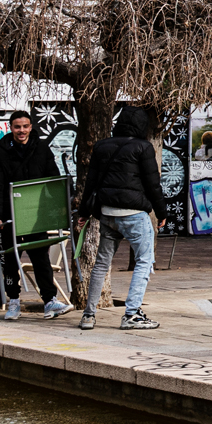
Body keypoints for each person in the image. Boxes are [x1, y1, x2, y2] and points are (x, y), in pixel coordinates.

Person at [77, 105, 164, 332]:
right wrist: (161, 213)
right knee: (144, 260)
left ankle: (88, 315)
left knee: (101, 263)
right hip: (134, 214)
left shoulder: (101, 146)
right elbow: (153, 184)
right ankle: (132, 314)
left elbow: (91, 182)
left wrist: (84, 212)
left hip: (107, 214)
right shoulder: (143, 147)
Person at [0, 109, 70, 319]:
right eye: (17, 127)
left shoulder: (42, 149)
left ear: (31, 127)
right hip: (8, 215)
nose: (21, 130)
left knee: (41, 258)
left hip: (36, 215)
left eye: (25, 126)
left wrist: (59, 208)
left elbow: (53, 180)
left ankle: (50, 301)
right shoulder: (0, 153)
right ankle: (13, 301)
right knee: (10, 259)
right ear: (11, 128)